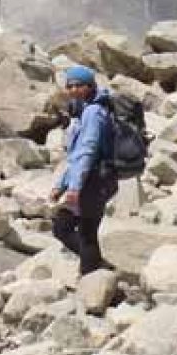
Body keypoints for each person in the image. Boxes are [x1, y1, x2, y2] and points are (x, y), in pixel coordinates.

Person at [51, 65, 118, 276]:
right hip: (90, 180)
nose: (72, 90)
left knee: (83, 233)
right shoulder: (85, 111)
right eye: (69, 86)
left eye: (78, 85)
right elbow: (75, 157)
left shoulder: (93, 112)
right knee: (68, 228)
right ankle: (98, 270)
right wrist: (61, 185)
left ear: (89, 86)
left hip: (94, 180)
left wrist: (74, 188)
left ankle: (94, 285)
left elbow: (87, 151)